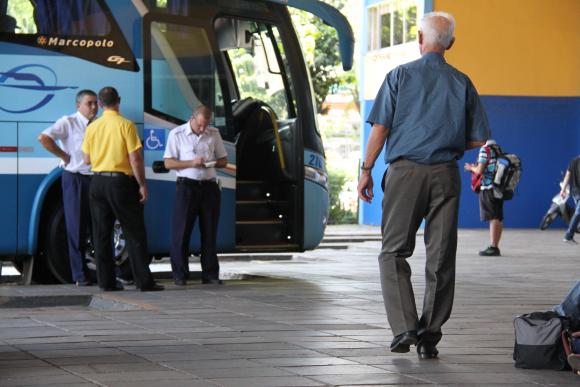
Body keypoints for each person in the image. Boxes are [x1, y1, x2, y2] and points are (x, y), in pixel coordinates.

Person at [357, 12, 490, 359]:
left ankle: (404, 329)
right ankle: (430, 333)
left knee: (393, 251)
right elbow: (478, 140)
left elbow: (380, 129)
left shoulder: (399, 76)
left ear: (419, 37)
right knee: (441, 254)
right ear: (451, 44)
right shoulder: (462, 82)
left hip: (406, 173)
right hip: (446, 174)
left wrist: (366, 169)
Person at [82, 86, 163, 292]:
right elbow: (135, 158)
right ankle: (144, 282)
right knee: (134, 231)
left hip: (97, 182)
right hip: (120, 184)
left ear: (100, 104)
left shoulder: (92, 127)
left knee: (101, 234)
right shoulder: (126, 125)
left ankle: (106, 283)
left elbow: (86, 159)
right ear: (119, 100)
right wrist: (142, 185)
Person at [38, 90, 98, 286]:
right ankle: (79, 275)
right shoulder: (68, 122)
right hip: (76, 178)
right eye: (89, 103)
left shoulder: (98, 124)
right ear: (78, 105)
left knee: (97, 226)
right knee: (76, 227)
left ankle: (102, 272)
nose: (94, 107)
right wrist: (63, 156)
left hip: (96, 178)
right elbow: (44, 138)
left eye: (95, 103)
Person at [164, 105, 228, 286]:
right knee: (181, 232)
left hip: (209, 187)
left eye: (205, 125)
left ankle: (210, 274)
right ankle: (180, 274)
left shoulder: (213, 134)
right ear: (192, 118)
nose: (202, 129)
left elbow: (223, 160)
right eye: (200, 125)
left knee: (209, 232)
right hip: (187, 187)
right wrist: (192, 162)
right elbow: (168, 163)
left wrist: (212, 162)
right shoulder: (177, 134)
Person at [464, 139, 504, 256]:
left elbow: (480, 170)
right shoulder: (497, 149)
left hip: (488, 187)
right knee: (498, 217)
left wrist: (471, 168)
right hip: (498, 187)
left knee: (493, 218)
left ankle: (493, 247)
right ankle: (495, 245)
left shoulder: (484, 149)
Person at [560, 155, 580, 244]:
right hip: (577, 192)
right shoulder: (574, 161)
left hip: (575, 192)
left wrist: (563, 189)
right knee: (578, 212)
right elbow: (568, 175)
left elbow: (568, 175)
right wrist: (562, 190)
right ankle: (568, 236)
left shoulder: (573, 160)